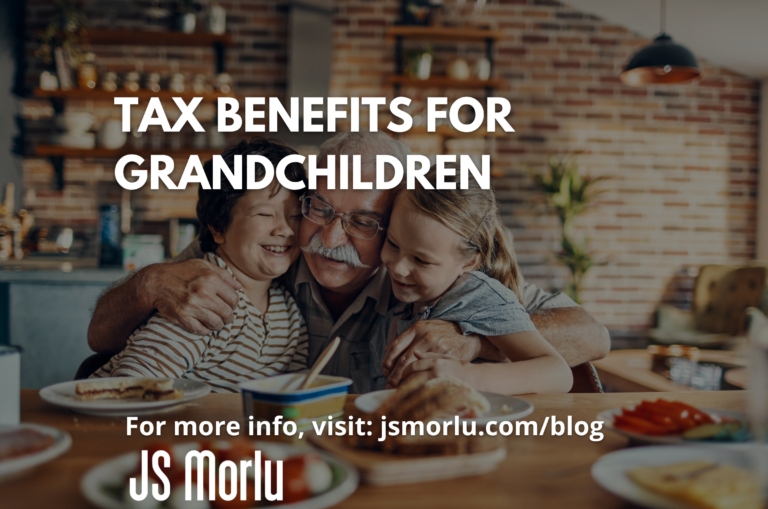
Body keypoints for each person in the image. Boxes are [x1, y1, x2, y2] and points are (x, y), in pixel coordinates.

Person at [87, 132, 610, 393]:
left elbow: (589, 335)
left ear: (398, 222)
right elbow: (101, 339)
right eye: (319, 209)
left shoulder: (429, 276)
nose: (330, 237)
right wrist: (150, 284)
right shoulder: (267, 254)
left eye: (363, 221)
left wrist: (473, 344)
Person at [92, 138, 308, 392]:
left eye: (295, 216)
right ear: (218, 227)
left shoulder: (290, 312)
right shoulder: (200, 299)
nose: (284, 229)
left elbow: (296, 393)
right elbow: (132, 390)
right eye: (263, 214)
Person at [369, 167, 572, 394]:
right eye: (393, 244)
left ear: (468, 263)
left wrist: (466, 375)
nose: (398, 267)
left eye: (421, 260)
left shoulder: (476, 296)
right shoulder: (397, 295)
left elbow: (558, 374)